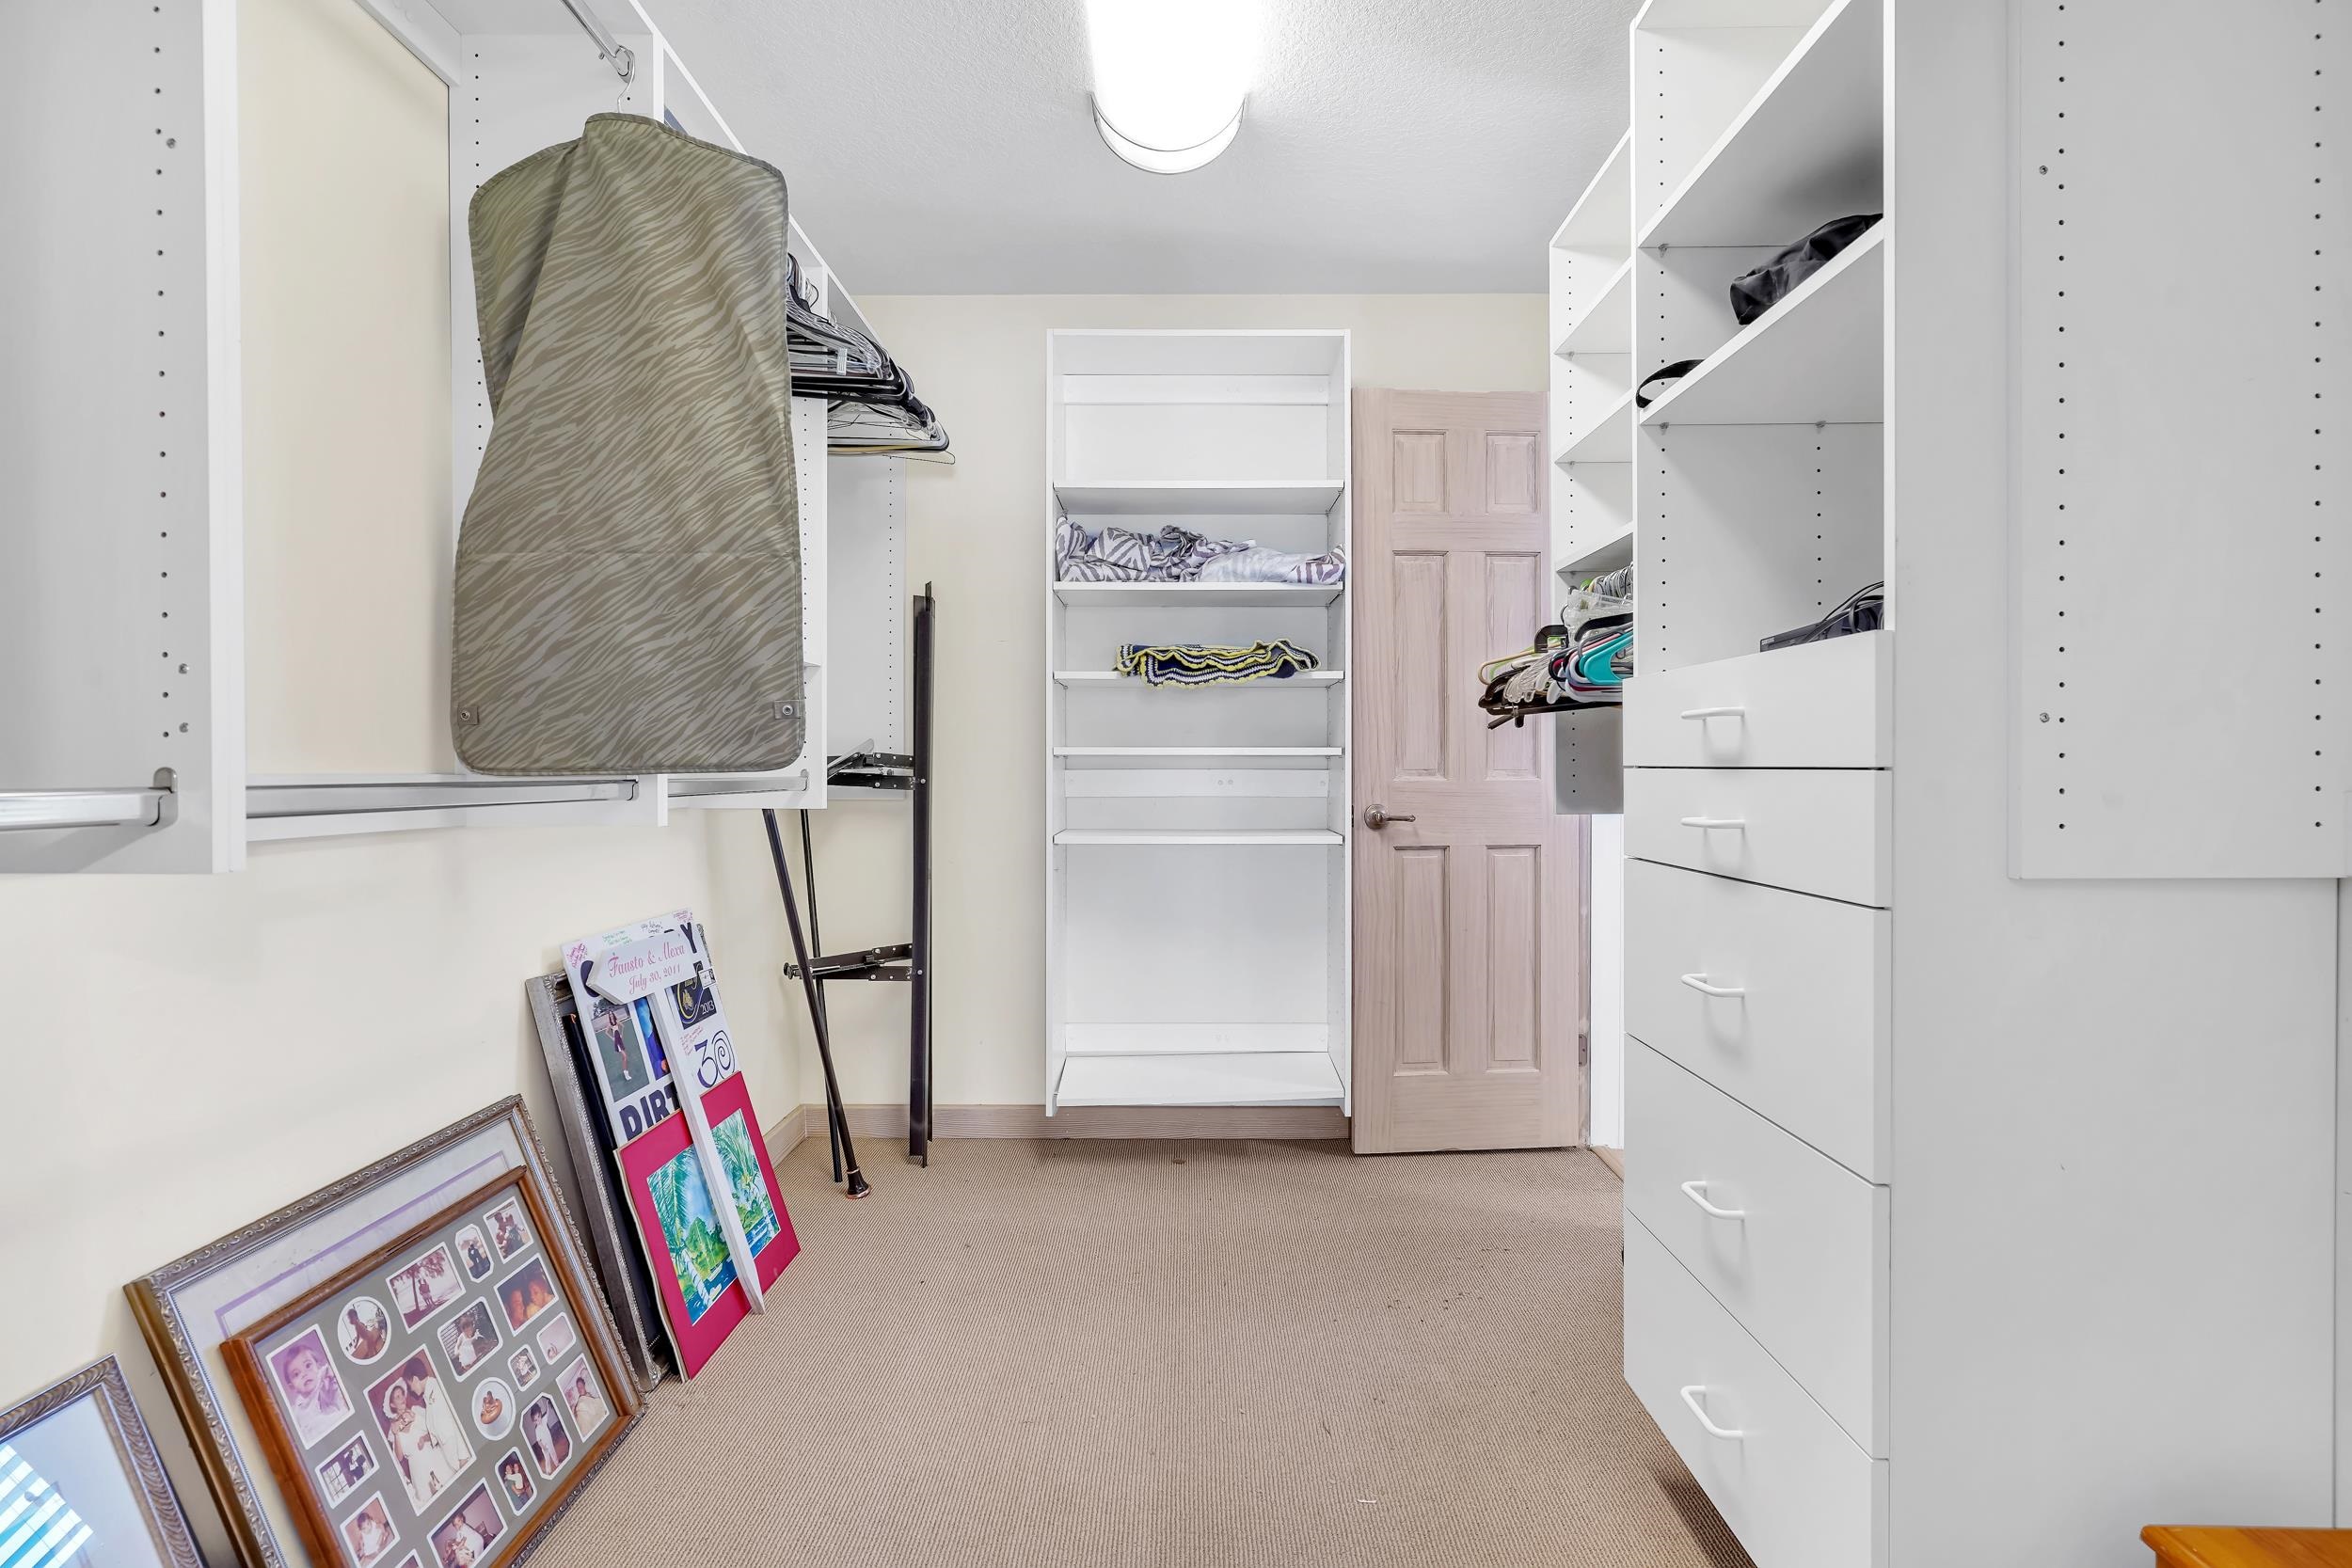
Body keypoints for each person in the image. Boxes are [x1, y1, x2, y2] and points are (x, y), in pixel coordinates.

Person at [383, 1382, 458, 1511]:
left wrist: (424, 1438)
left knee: (453, 1494)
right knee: (437, 1508)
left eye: (402, 1395)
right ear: (392, 1404)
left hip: (434, 1457)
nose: (402, 1398)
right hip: (418, 1471)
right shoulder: (394, 1429)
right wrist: (396, 1434)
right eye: (397, 1397)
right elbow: (399, 1458)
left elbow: (435, 1430)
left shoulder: (416, 1411)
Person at [277, 1338, 348, 1443]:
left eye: (308, 1365)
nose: (304, 1374)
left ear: (318, 1366)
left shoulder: (324, 1382)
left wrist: (329, 1375)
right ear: (292, 1387)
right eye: (296, 1374)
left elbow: (329, 1371)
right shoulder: (299, 1409)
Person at [565, 1370, 609, 1434]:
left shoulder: (589, 1396)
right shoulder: (579, 1401)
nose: (579, 1389)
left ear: (584, 1386)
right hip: (582, 1418)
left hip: (591, 1417)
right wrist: (573, 1409)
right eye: (578, 1388)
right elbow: (576, 1416)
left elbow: (596, 1404)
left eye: (581, 1386)